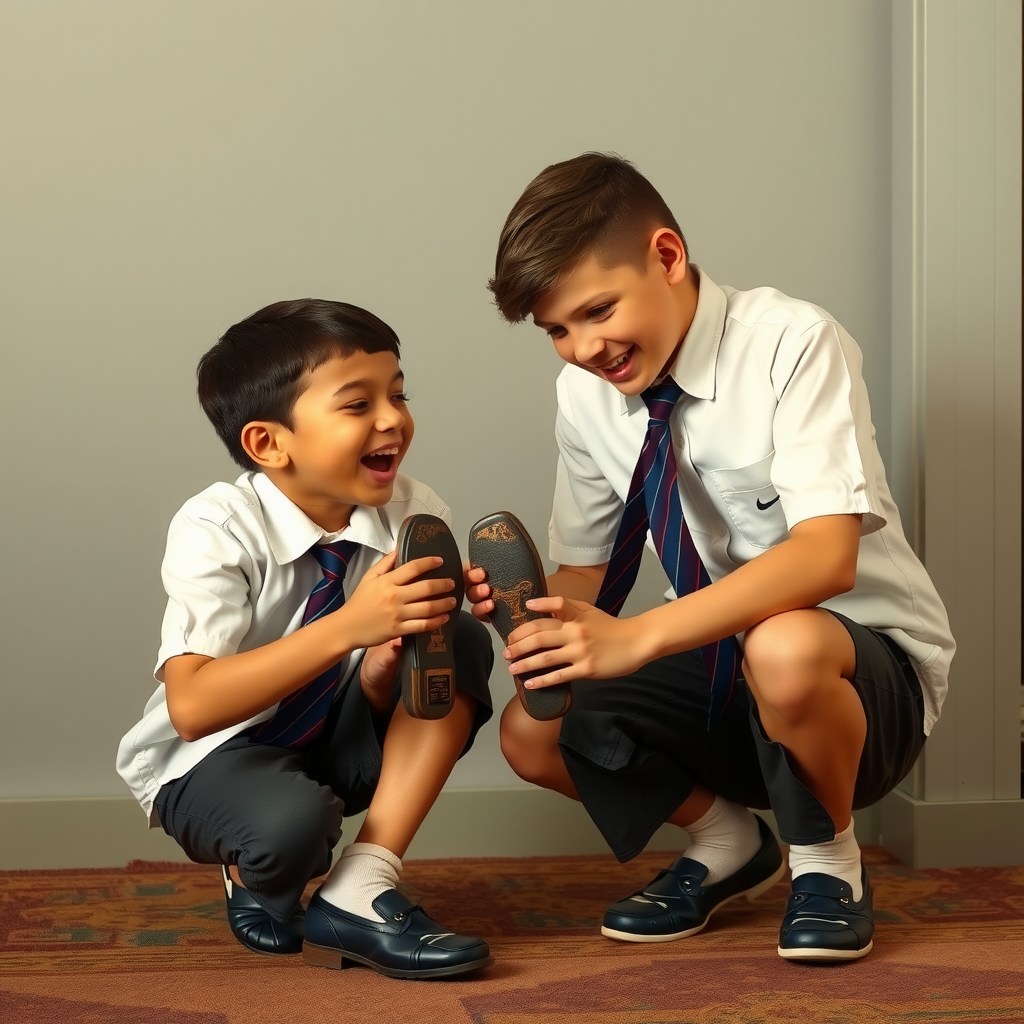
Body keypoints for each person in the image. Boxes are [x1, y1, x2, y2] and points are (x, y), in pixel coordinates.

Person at [470, 153, 954, 962]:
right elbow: (588, 571)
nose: (583, 348)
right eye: (556, 329)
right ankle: (728, 843)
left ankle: (827, 861)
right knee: (532, 728)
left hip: (859, 679)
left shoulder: (793, 343)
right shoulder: (587, 394)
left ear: (667, 256)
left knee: (785, 641)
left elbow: (827, 559)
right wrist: (528, 609)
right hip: (717, 661)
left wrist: (636, 638)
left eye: (596, 311)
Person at [116, 299, 494, 979]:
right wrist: (352, 625)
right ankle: (253, 873)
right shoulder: (217, 525)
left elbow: (388, 681)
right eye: (358, 405)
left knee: (457, 638)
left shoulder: (416, 511)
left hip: (334, 738)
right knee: (290, 826)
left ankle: (364, 883)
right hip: (214, 757)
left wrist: (384, 667)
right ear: (269, 444)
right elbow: (192, 707)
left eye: (399, 394)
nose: (393, 419)